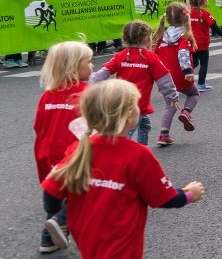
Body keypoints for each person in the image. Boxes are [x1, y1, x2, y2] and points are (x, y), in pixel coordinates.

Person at [41, 79, 205, 257]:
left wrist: (59, 214)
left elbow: (51, 192)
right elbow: (164, 198)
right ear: (129, 116)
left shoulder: (79, 148)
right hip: (122, 244)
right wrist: (189, 195)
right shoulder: (138, 154)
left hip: (86, 238)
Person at [33, 42, 92, 253]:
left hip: (46, 153)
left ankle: (49, 238)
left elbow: (38, 126)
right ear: (73, 67)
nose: (92, 66)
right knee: (86, 195)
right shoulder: (86, 93)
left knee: (55, 191)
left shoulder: (47, 95)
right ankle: (61, 221)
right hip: (73, 154)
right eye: (88, 62)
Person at [90, 21, 178, 145]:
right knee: (127, 132)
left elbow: (102, 73)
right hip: (138, 104)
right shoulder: (151, 57)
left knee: (145, 124)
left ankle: (142, 147)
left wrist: (90, 85)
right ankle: (125, 151)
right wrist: (172, 96)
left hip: (121, 101)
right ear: (147, 39)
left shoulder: (121, 56)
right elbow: (164, 79)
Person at [153, 2, 198, 146]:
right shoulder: (183, 36)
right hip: (180, 75)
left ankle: (163, 135)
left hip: (164, 78)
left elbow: (154, 57)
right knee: (193, 94)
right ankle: (186, 113)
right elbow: (183, 53)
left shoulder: (162, 36)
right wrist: (188, 71)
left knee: (170, 106)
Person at [187, 0, 222, 91]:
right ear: (203, 1)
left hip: (191, 43)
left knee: (194, 63)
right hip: (202, 44)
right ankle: (201, 84)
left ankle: (184, 81)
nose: (207, 1)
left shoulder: (188, 13)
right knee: (203, 64)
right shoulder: (205, 14)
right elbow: (214, 26)